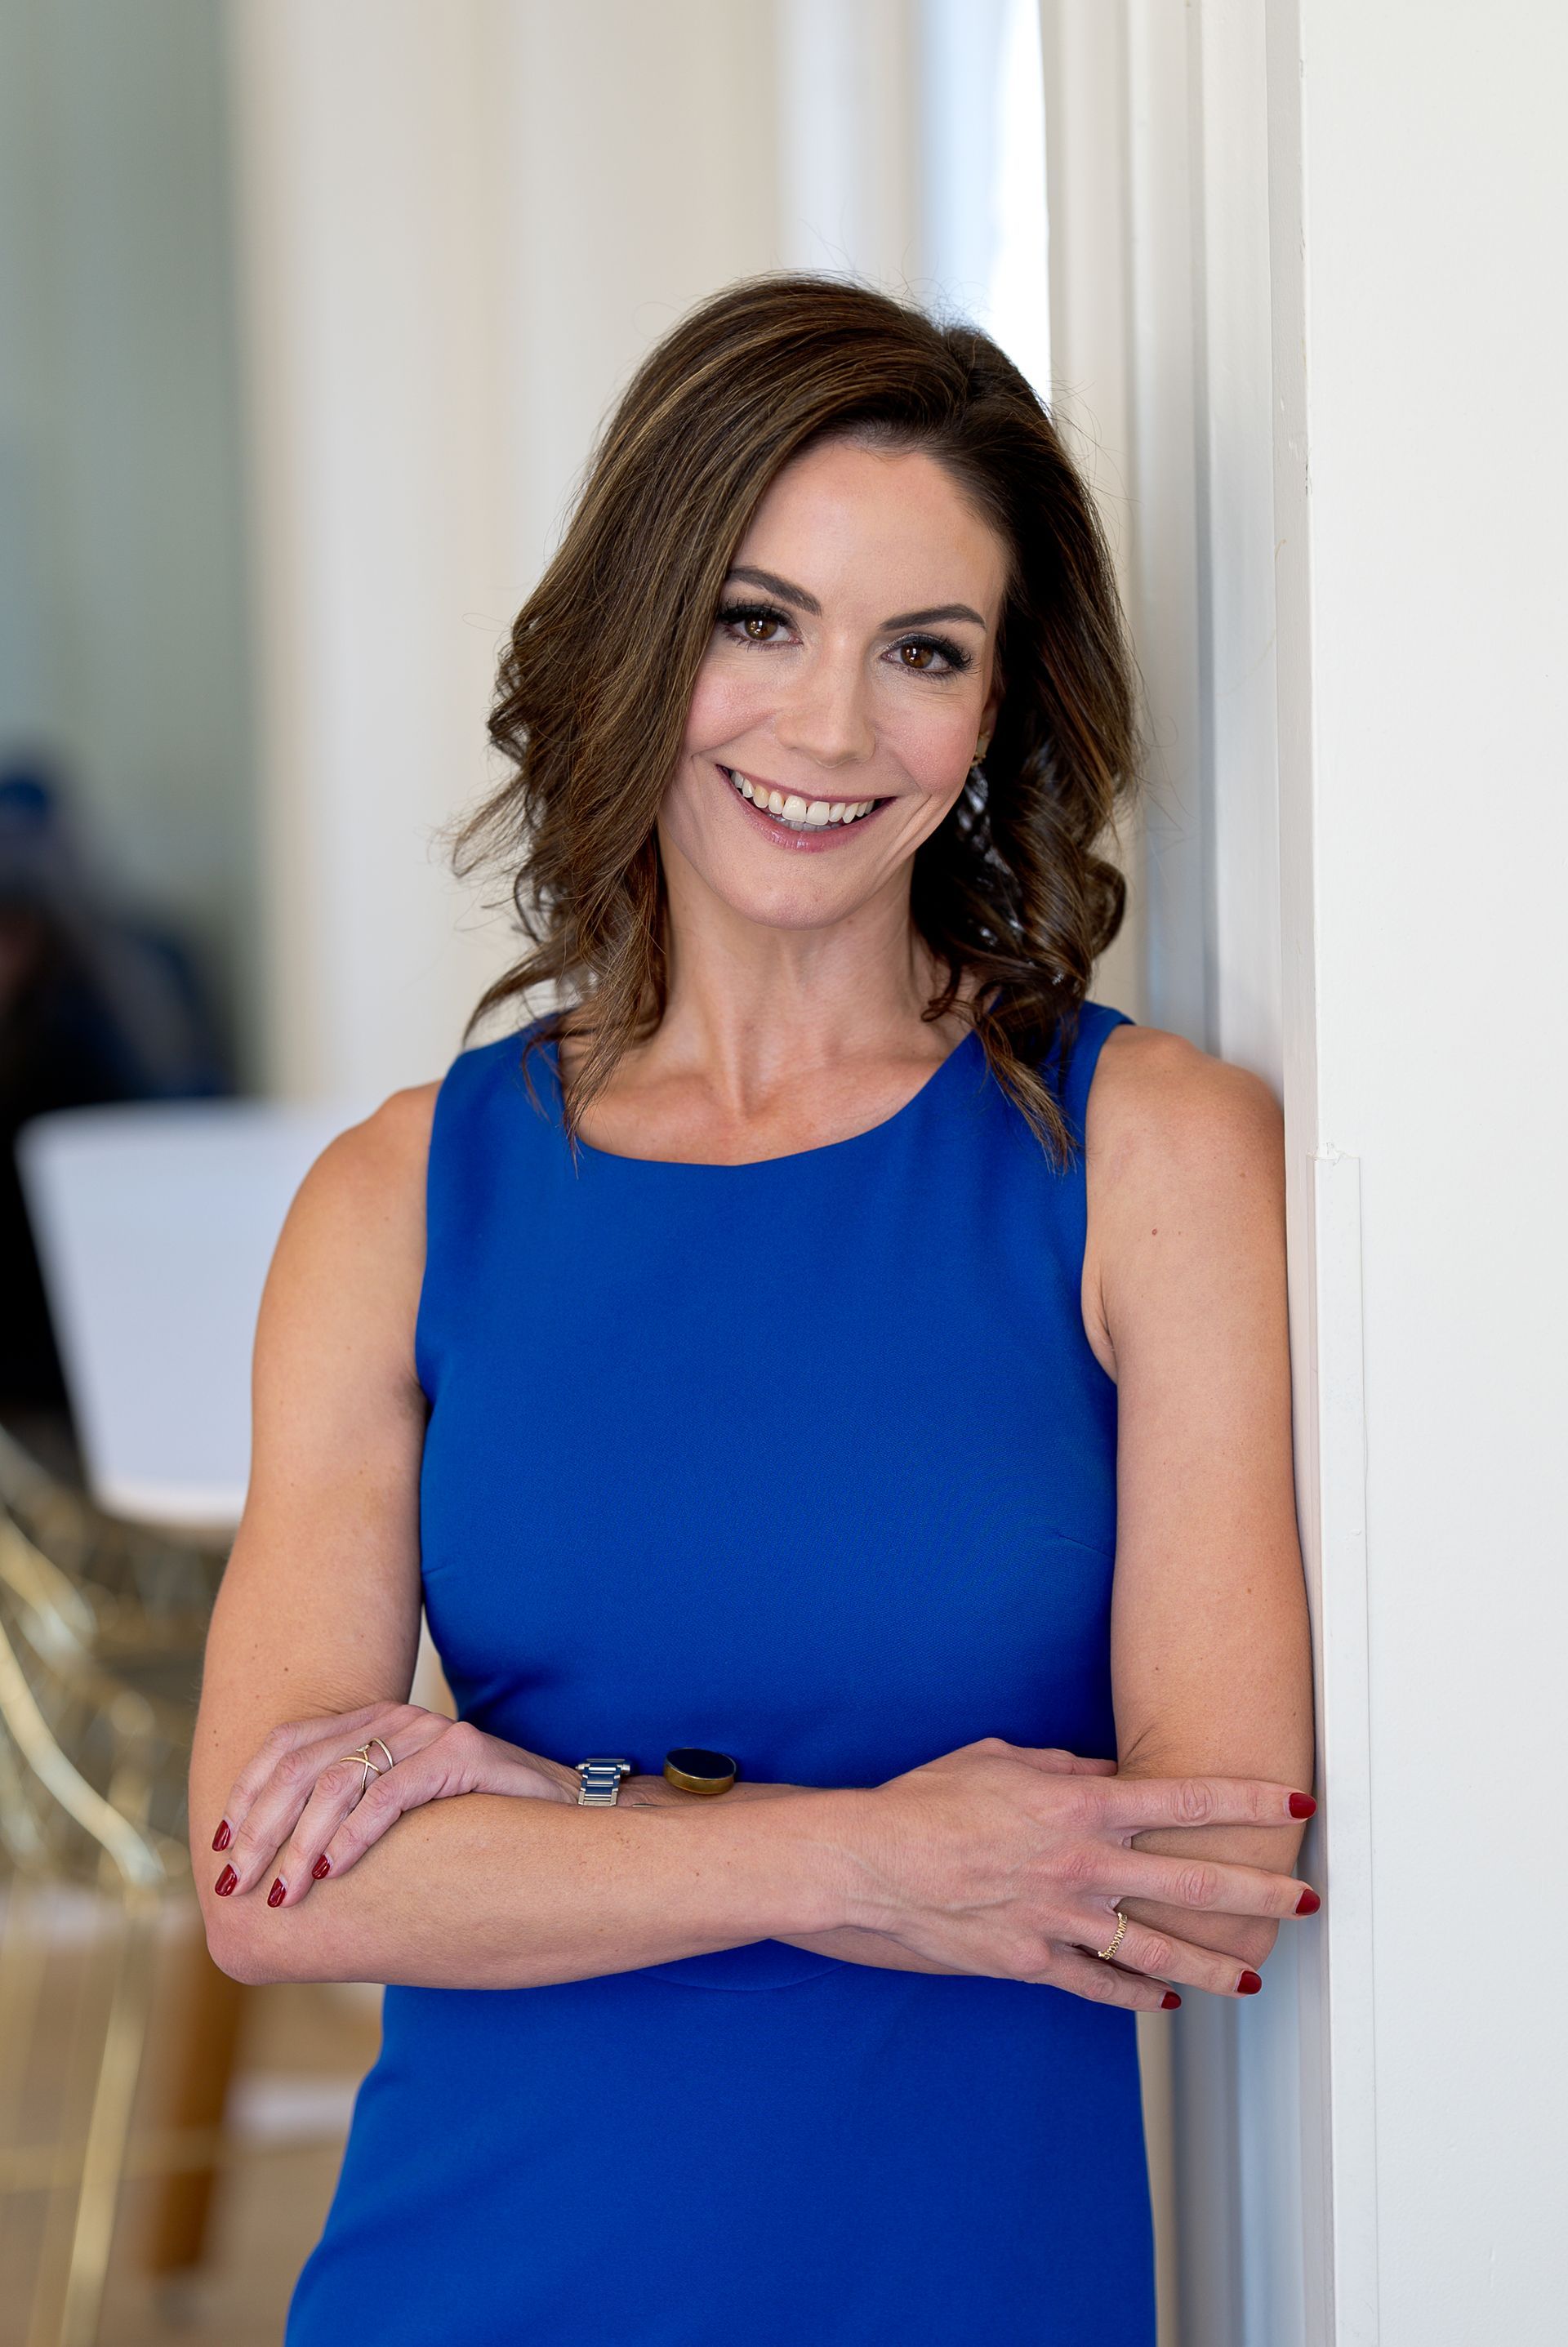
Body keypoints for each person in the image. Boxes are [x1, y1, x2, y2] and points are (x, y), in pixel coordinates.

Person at [191, 275, 1316, 2345]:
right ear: (642, 634)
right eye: (758, 620)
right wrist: (861, 1860)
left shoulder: (1149, 1153)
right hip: (474, 2278)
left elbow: (1203, 1880)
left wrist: (550, 1800)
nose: (828, 729)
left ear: (999, 709)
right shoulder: (399, 1198)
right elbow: (275, 1886)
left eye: (924, 651)